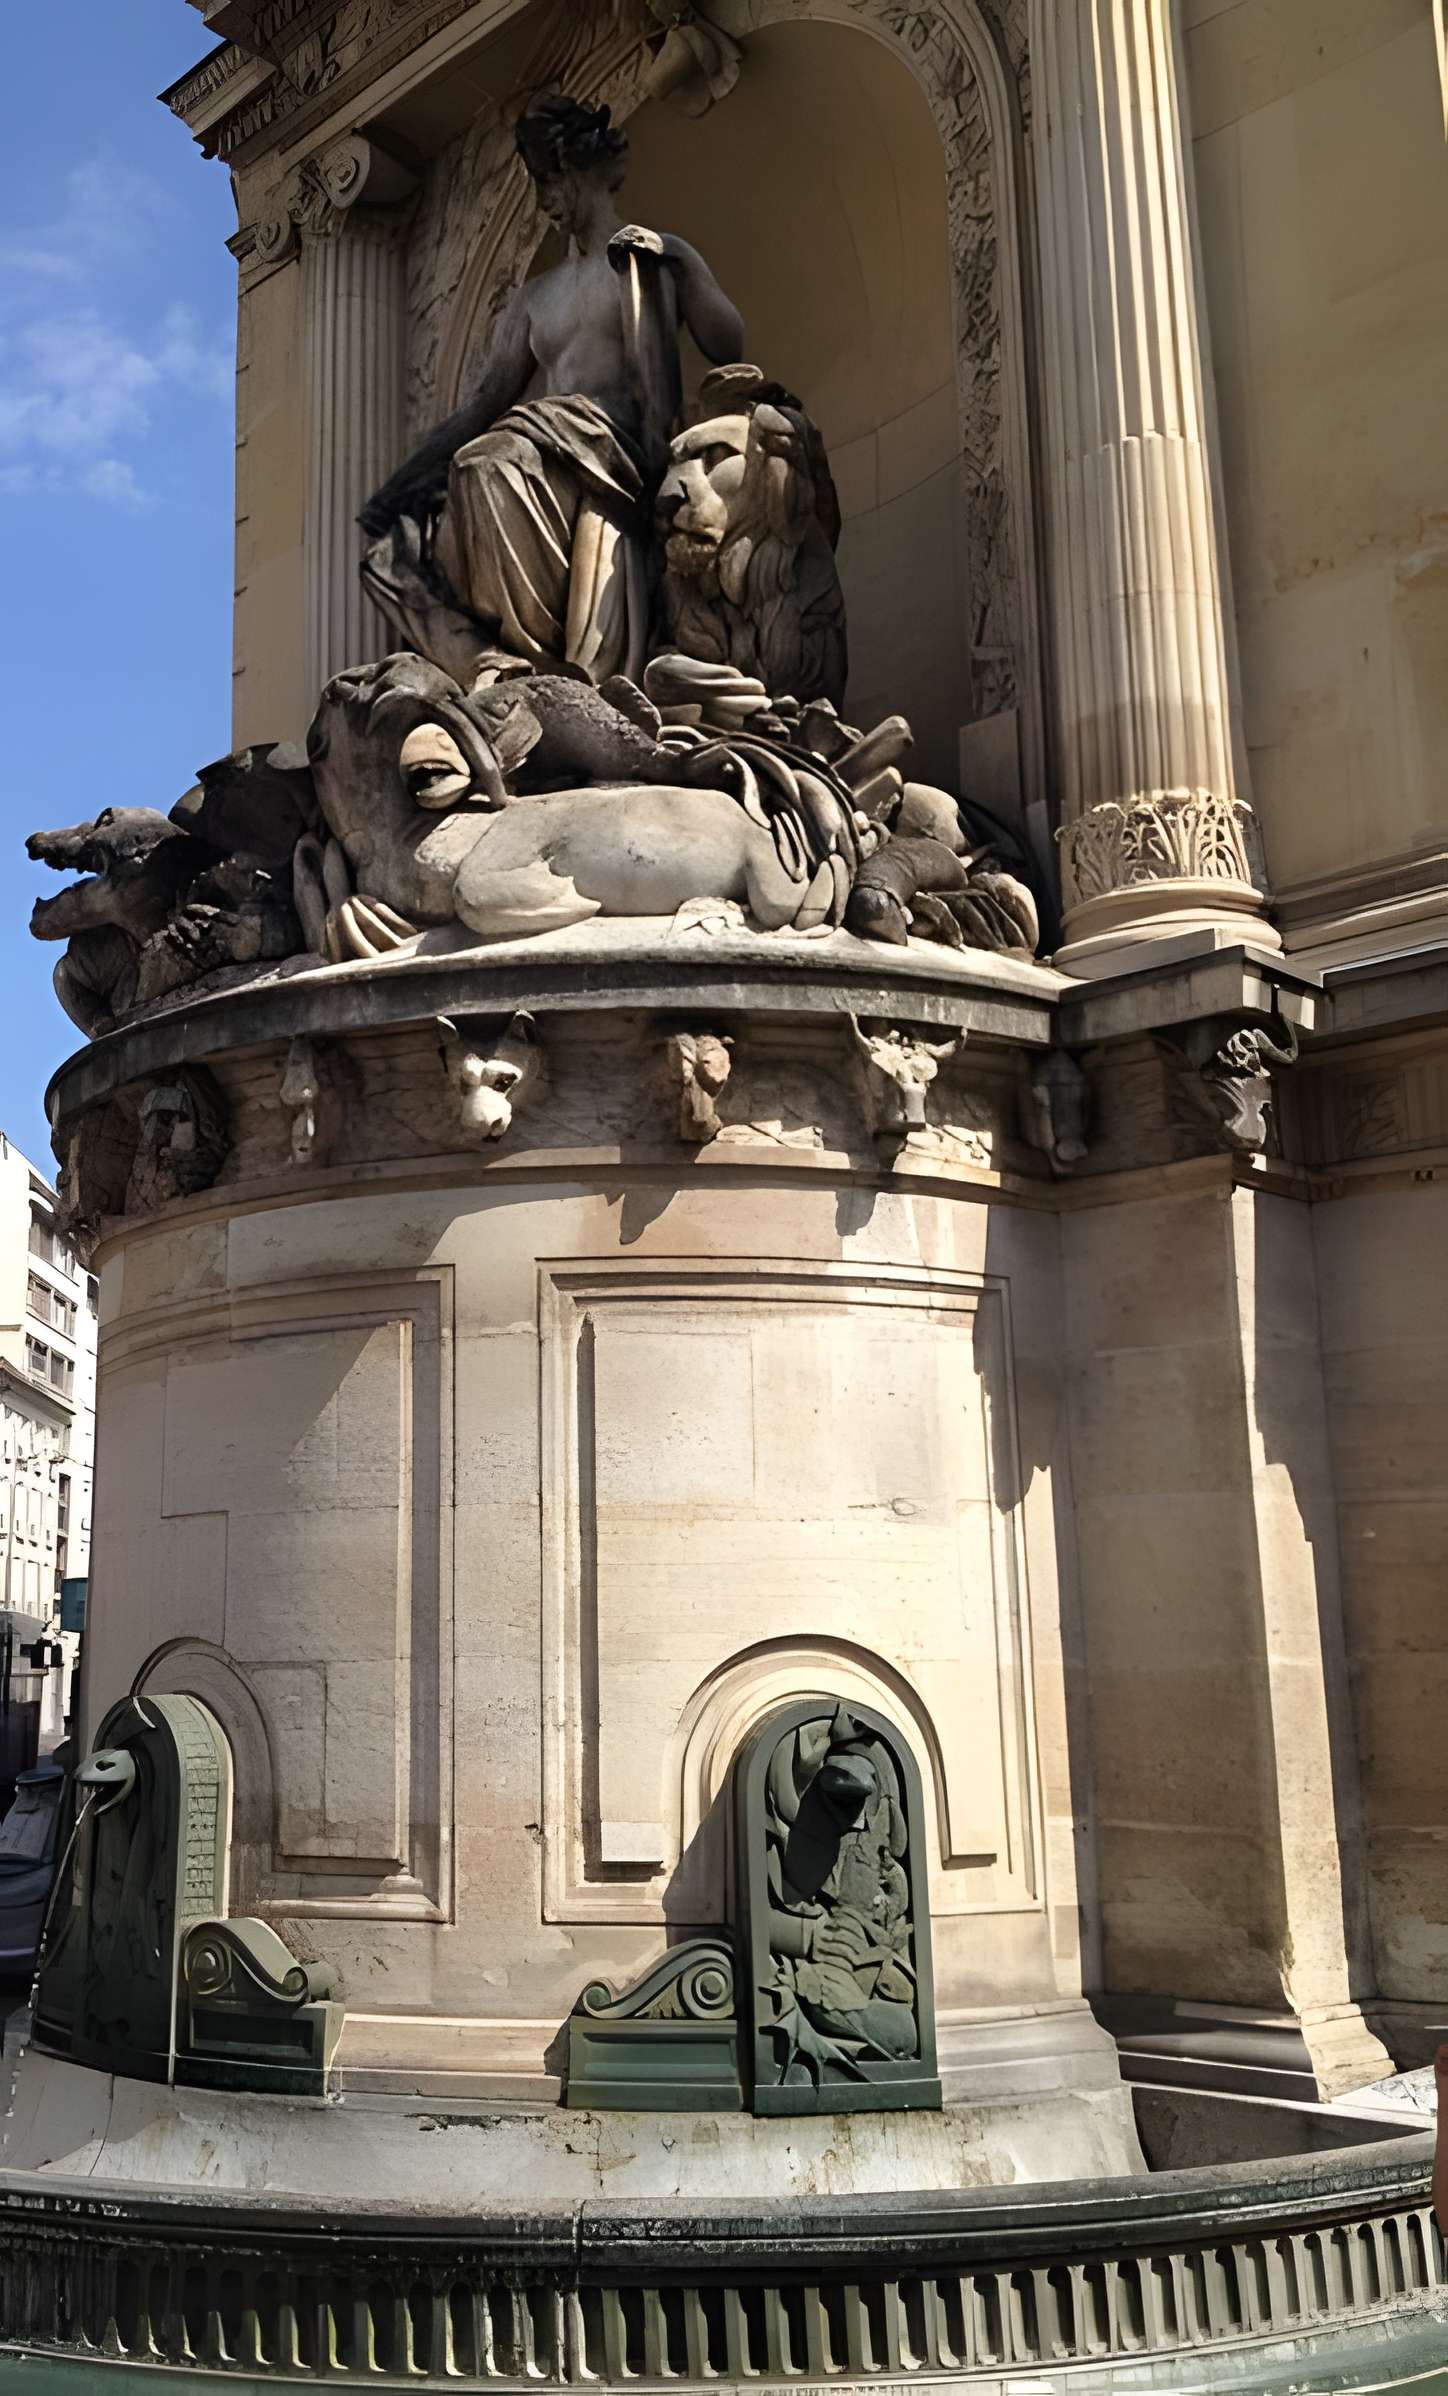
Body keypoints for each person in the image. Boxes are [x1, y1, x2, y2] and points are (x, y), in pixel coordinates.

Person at [358, 93, 744, 687]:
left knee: (485, 464)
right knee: (395, 554)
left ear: (588, 171)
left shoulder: (652, 255)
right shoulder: (538, 296)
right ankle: (491, 658)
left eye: (549, 178)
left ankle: (538, 655)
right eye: (538, 181)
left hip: (618, 454)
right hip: (545, 448)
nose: (542, 198)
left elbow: (728, 340)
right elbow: (485, 402)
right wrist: (402, 483)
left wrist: (675, 262)